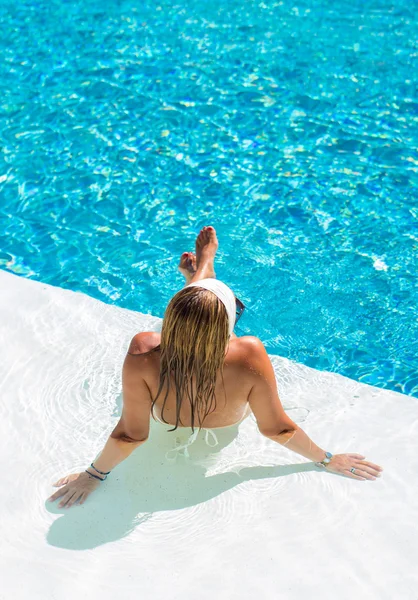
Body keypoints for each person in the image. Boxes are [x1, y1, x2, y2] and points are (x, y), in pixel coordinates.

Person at [49, 226, 382, 508]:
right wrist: (327, 459)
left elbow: (130, 434)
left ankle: (199, 276)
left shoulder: (143, 348)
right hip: (224, 424)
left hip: (165, 412)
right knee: (212, 321)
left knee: (196, 313)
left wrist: (92, 476)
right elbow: (277, 429)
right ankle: (203, 276)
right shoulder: (249, 351)